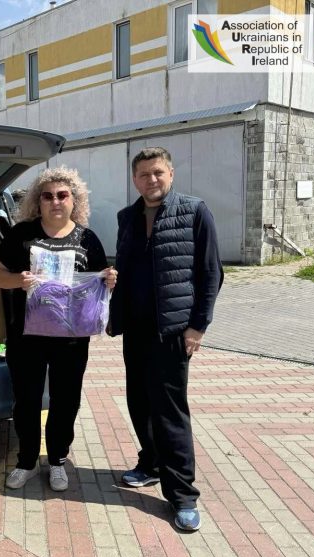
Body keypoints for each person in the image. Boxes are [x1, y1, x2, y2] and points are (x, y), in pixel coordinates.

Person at [108, 147, 223, 531]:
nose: (150, 180)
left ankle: (183, 495)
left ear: (170, 174)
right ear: (134, 179)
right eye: (143, 174)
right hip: (136, 330)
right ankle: (151, 464)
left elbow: (211, 274)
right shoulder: (127, 217)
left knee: (170, 411)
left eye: (157, 172)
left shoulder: (194, 211)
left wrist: (197, 327)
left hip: (172, 331)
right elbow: (125, 266)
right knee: (139, 401)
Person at [0, 167, 117, 492]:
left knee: (66, 401)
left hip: (71, 339)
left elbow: (99, 282)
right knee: (27, 400)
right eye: (47, 196)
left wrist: (109, 282)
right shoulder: (22, 235)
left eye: (62, 195)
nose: (55, 202)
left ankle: (58, 459)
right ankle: (27, 461)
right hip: (26, 336)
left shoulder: (87, 239)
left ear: (74, 200)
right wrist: (17, 281)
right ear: (38, 201)